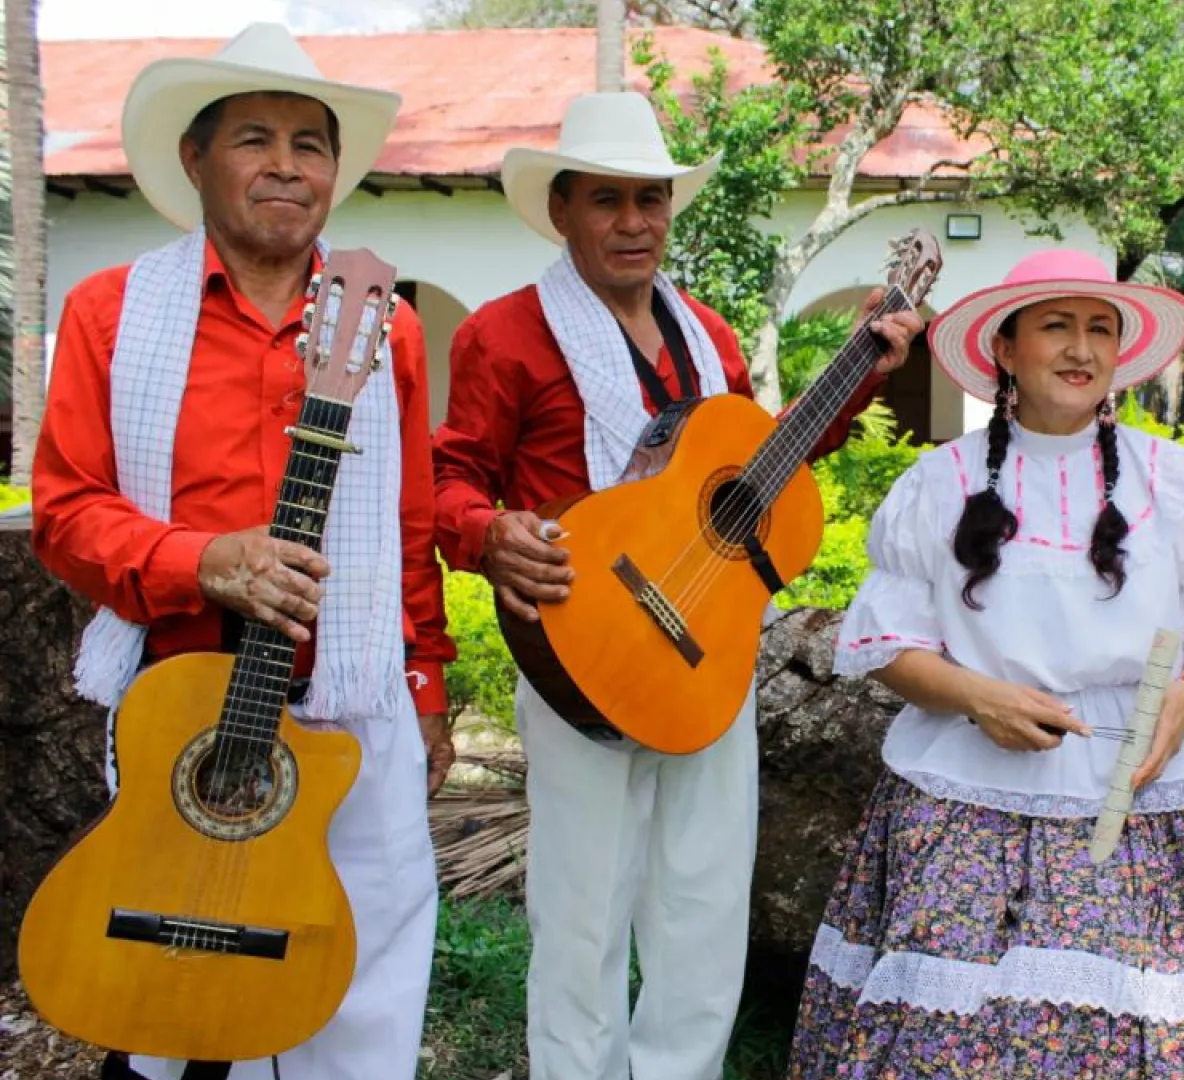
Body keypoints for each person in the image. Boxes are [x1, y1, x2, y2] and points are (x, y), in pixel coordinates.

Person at [786, 248, 1184, 1079]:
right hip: (974, 789)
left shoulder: (1174, 482)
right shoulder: (938, 483)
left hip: (1149, 782)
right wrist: (979, 698)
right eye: (1055, 326)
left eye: (1101, 329)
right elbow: (887, 646)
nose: (1081, 350)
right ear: (1005, 349)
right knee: (961, 1023)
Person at [431, 91, 922, 1080]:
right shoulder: (504, 334)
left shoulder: (708, 336)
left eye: (650, 200)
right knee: (584, 907)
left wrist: (865, 367)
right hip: (581, 647)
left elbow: (753, 467)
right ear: (561, 208)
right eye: (607, 200)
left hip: (709, 642)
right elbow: (447, 479)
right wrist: (487, 533)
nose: (633, 222)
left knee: (704, 897)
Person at [30, 22, 452, 1080]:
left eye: (310, 144)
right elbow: (65, 509)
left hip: (354, 698)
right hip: (181, 695)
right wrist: (200, 559)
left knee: (362, 977)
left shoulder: (383, 325)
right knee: (170, 988)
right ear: (195, 159)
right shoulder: (112, 312)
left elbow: (408, 521)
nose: (286, 165)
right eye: (254, 139)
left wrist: (426, 678)